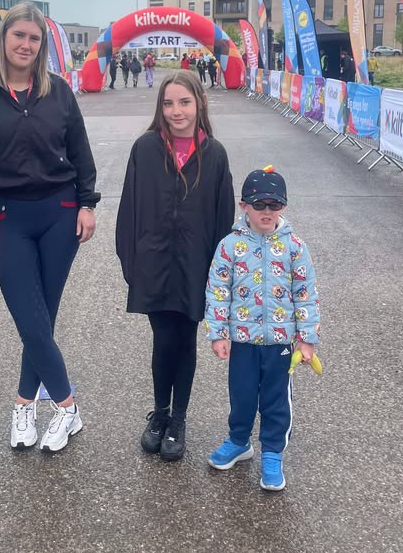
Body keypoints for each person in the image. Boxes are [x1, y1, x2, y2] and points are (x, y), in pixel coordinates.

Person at [0, 3, 100, 454]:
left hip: (59, 213)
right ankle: (67, 405)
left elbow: (79, 149)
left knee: (43, 317)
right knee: (28, 315)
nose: (26, 44)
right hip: (5, 217)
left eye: (34, 38)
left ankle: (23, 404)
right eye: (19, 35)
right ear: (4, 39)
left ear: (41, 45)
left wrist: (87, 203)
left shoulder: (57, 91)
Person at [116, 71, 235, 461]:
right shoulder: (146, 148)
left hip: (195, 266)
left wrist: (219, 275)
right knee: (162, 338)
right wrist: (131, 262)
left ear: (199, 103)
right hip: (154, 262)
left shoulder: (214, 154)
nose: (176, 111)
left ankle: (178, 418)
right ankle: (160, 414)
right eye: (168, 103)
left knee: (185, 341)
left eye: (184, 102)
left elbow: (222, 218)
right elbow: (129, 209)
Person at [205, 167, 320, 491]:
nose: (267, 212)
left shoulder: (295, 247)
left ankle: (272, 453)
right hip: (242, 341)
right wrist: (219, 332)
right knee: (241, 397)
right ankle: (239, 441)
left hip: (281, 343)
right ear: (244, 206)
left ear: (283, 206)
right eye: (259, 205)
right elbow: (217, 291)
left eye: (274, 205)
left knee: (276, 401)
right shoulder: (230, 246)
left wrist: (306, 339)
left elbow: (306, 295)